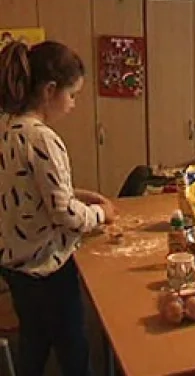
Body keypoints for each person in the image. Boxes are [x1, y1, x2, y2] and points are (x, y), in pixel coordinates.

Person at [0, 41, 116, 376]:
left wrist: (78, 194)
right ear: (50, 90)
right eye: (72, 95)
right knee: (72, 346)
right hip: (46, 267)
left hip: (15, 262)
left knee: (34, 340)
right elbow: (64, 214)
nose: (74, 104)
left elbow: (28, 188)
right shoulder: (43, 138)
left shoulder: (9, 127)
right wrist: (102, 214)